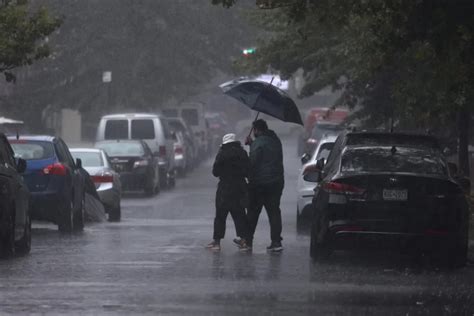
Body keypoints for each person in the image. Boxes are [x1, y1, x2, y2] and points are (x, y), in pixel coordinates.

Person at [206, 133, 251, 251]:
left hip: (224, 189)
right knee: (240, 215)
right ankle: (244, 241)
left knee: (220, 216)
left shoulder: (222, 154)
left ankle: (217, 242)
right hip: (239, 189)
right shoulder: (242, 153)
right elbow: (248, 171)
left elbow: (215, 172)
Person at [245, 119, 284, 252]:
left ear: (256, 130)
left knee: (253, 212)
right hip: (276, 183)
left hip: (259, 184)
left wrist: (251, 146)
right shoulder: (276, 140)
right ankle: (276, 241)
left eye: (254, 130)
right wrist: (253, 144)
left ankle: (248, 241)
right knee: (274, 212)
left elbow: (253, 163)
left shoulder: (258, 143)